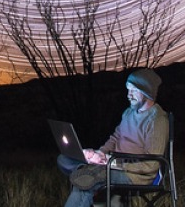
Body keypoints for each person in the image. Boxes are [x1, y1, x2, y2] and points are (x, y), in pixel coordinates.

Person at [56, 68, 170, 207]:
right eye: (128, 90)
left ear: (147, 92)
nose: (129, 95)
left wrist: (115, 164)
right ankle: (89, 168)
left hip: (134, 175)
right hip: (112, 163)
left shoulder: (157, 120)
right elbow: (115, 138)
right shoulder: (128, 113)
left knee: (87, 181)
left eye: (133, 91)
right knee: (65, 159)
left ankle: (90, 172)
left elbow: (151, 165)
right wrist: (100, 153)